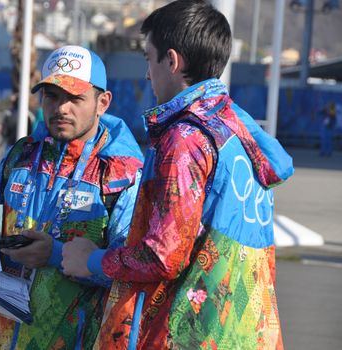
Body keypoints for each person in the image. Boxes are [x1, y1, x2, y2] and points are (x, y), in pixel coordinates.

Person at [61, 1, 294, 349]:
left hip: (192, 334)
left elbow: (162, 256)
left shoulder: (185, 139)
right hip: (250, 332)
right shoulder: (238, 128)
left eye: (148, 58)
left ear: (172, 61)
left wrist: (90, 260)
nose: (146, 74)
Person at [0, 45, 144, 349]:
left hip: (76, 339)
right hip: (1, 337)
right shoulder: (20, 155)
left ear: (102, 102)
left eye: (75, 98)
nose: (61, 108)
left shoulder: (122, 173)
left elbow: (131, 270)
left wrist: (54, 255)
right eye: (52, 96)